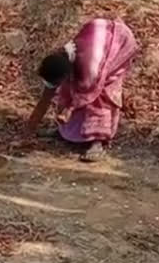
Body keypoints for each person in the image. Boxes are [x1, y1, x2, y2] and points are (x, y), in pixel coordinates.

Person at [26, 17, 138, 162]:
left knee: (98, 96)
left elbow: (87, 90)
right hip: (97, 36)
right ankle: (65, 131)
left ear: (65, 74)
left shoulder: (89, 67)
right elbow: (47, 95)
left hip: (118, 43)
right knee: (70, 89)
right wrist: (30, 128)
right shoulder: (61, 59)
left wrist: (69, 109)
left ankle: (97, 142)